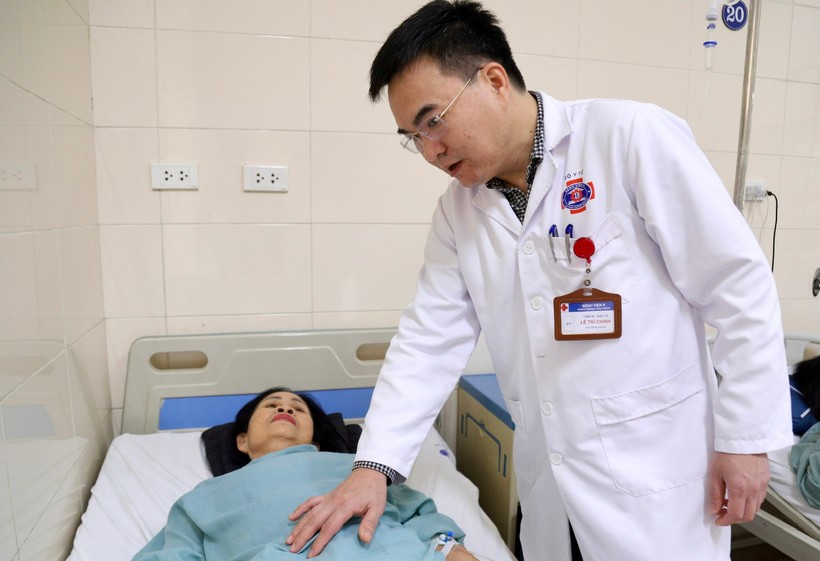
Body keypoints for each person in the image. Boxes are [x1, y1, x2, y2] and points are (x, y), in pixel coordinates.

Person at [285, 2, 793, 560]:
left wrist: (746, 442)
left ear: (493, 81)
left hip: (657, 479)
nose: (430, 150)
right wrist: (373, 466)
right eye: (413, 136)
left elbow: (738, 286)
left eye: (433, 121)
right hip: (552, 490)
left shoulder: (627, 138)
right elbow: (428, 341)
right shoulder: (458, 212)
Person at [132, 388, 478, 561]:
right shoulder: (204, 497)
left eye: (297, 408)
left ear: (315, 439)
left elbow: (420, 515)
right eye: (271, 405)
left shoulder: (362, 468)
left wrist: (449, 549)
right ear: (241, 440)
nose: (285, 407)